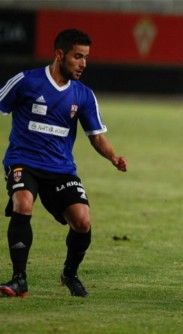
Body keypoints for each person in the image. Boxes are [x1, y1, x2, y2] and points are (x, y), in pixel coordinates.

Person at [0, 29, 127, 298]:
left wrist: (114, 157)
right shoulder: (26, 81)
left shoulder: (83, 95)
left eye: (86, 58)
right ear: (60, 55)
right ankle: (19, 280)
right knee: (22, 202)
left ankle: (70, 273)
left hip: (60, 170)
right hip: (24, 161)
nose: (83, 64)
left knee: (82, 221)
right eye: (77, 56)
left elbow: (97, 137)